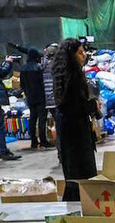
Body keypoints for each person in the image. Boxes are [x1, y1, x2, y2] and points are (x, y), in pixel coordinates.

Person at [52, 38, 97, 201]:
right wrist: (93, 106)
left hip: (67, 128)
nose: (83, 55)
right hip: (76, 130)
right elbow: (76, 106)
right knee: (82, 172)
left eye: (83, 51)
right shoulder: (74, 76)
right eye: (80, 52)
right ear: (71, 56)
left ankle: (76, 201)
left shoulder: (62, 75)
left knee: (72, 171)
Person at [14, 45, 49, 149]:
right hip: (41, 97)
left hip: (30, 97)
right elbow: (42, 82)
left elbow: (22, 84)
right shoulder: (39, 67)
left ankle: (33, 141)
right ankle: (43, 141)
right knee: (42, 119)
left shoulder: (23, 68)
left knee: (32, 119)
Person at [41, 43, 58, 149]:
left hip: (46, 98)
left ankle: (44, 141)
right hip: (55, 98)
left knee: (44, 120)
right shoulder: (56, 65)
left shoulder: (42, 64)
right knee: (60, 124)